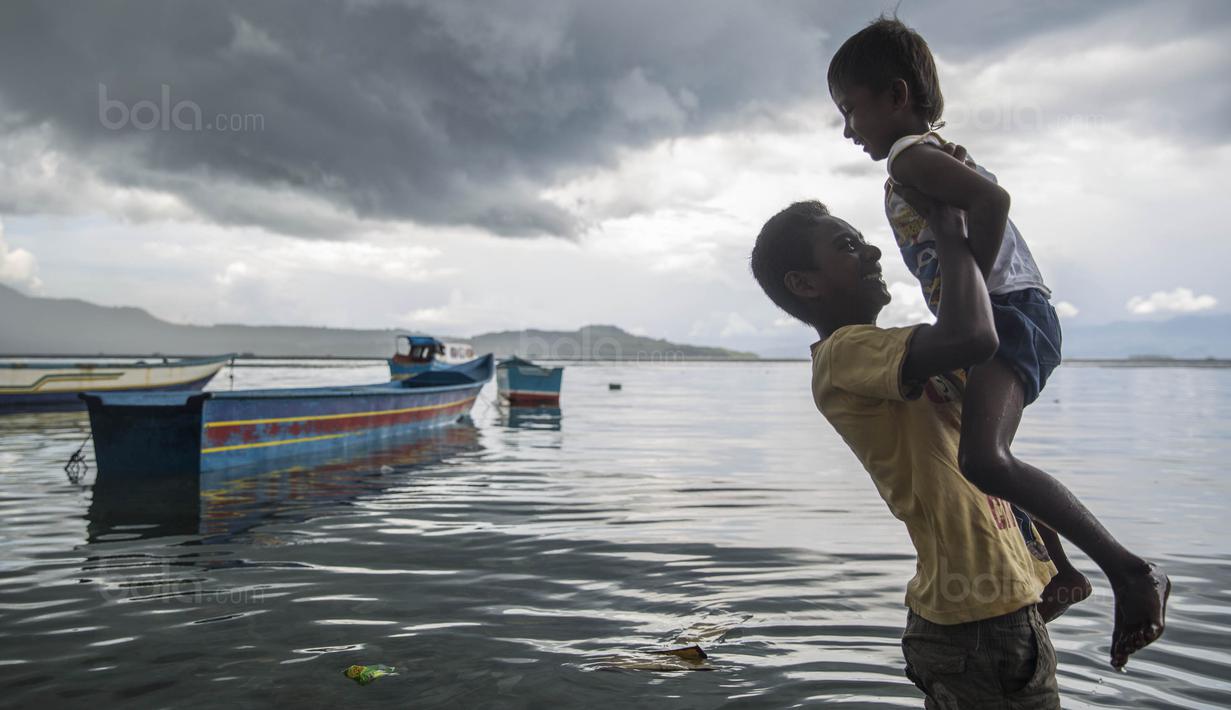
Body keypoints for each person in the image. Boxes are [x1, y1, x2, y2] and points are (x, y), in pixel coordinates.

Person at [825, 17, 1168, 669]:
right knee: (978, 446)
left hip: (1009, 313)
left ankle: (1129, 572)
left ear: (895, 96)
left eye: (850, 109)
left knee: (982, 459)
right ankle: (1063, 573)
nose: (847, 128)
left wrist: (969, 287)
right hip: (1018, 311)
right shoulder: (924, 153)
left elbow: (991, 199)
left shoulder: (909, 156)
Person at [751, 195, 1061, 706]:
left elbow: (993, 465)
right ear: (805, 284)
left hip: (1001, 611)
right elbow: (975, 334)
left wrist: (1052, 566)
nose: (874, 251)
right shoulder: (843, 356)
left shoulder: (905, 355)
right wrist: (948, 236)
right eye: (848, 246)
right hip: (974, 628)